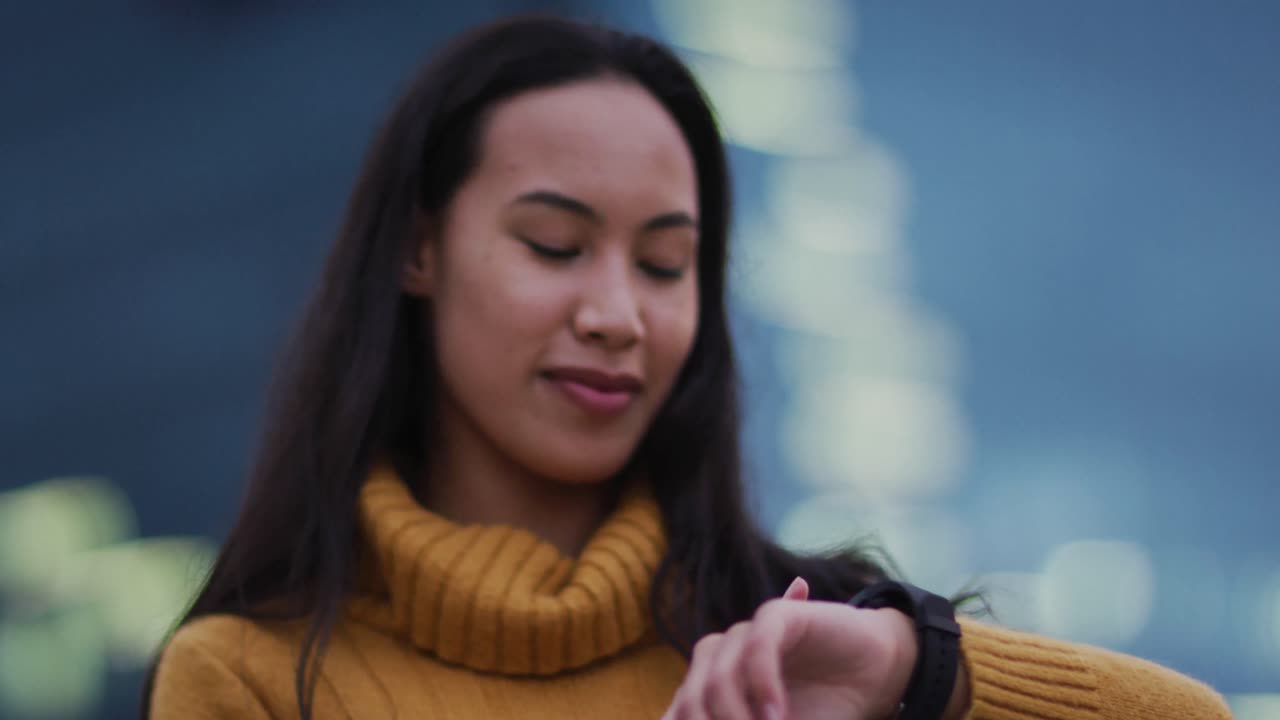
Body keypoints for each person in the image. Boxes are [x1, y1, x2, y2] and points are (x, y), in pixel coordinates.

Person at [144, 15, 1232, 720]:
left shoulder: (799, 643)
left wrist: (911, 674)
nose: (618, 315)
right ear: (417, 249)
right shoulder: (249, 679)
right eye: (554, 246)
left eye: (666, 263)